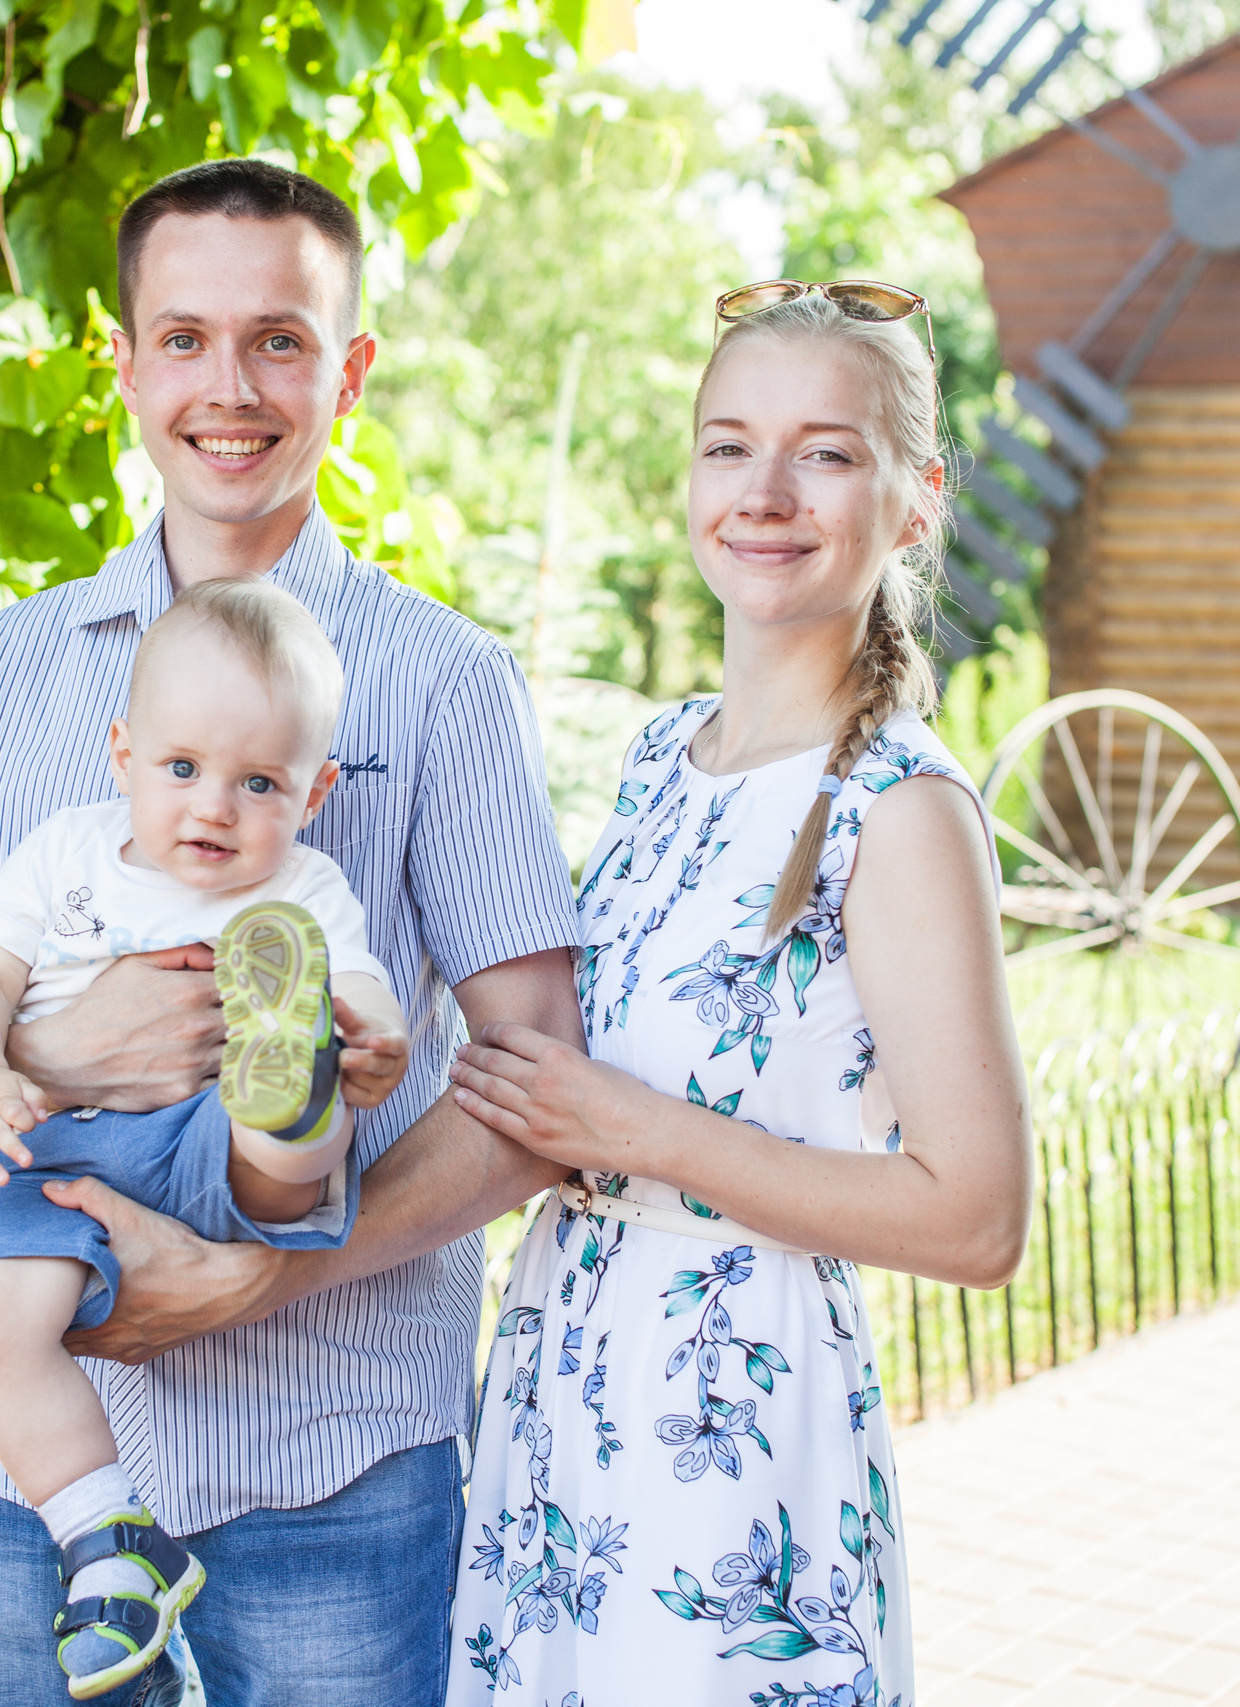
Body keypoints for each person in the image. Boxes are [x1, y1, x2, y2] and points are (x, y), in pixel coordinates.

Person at [0, 157, 585, 1707]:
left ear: (349, 372)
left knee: (297, 1072)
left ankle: (279, 1140)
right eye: (182, 338)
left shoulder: (442, 681)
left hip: (333, 1465)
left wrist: (269, 1277)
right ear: (121, 362)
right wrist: (52, 1048)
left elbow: (539, 1086)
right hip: (20, 1482)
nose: (228, 388)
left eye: (280, 340)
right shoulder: (4, 671)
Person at [440, 284, 1034, 1706]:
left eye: (826, 452)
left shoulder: (901, 805)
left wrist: (641, 1131)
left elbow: (980, 1214)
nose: (766, 492)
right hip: (562, 1402)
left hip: (735, 1439)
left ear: (913, 499)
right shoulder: (661, 756)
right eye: (729, 446)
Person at [0, 579, 410, 1698]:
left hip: (202, 1140)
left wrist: (370, 1042)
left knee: (280, 1136)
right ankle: (107, 1536)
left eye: (259, 784)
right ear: (121, 753)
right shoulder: (64, 857)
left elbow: (374, 997)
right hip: (62, 1153)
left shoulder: (306, 891)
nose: (214, 809)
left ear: (316, 792)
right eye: (181, 770)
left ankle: (289, 1094)